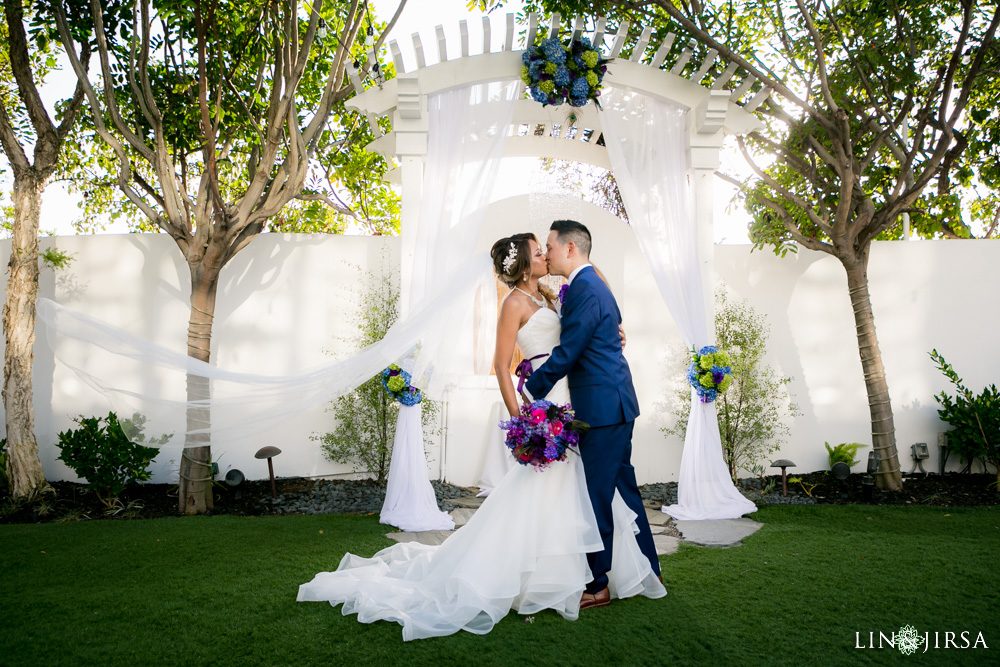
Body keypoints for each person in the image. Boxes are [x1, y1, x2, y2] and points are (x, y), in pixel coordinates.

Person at [296, 231, 664, 640]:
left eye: (547, 248)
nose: (545, 254)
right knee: (554, 489)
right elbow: (501, 365)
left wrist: (615, 332)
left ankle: (588, 571)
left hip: (574, 402)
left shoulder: (552, 297)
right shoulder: (514, 305)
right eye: (538, 251)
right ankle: (553, 575)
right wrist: (523, 419)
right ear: (524, 265)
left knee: (584, 490)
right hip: (546, 404)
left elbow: (581, 331)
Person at [525, 219, 662, 610]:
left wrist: (530, 392)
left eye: (550, 245)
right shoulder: (589, 286)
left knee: (598, 496)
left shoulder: (585, 287)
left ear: (570, 248)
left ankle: (598, 584)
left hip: (603, 409)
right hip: (614, 403)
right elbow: (609, 330)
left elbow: (569, 352)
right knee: (623, 489)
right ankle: (650, 568)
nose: (547, 253)